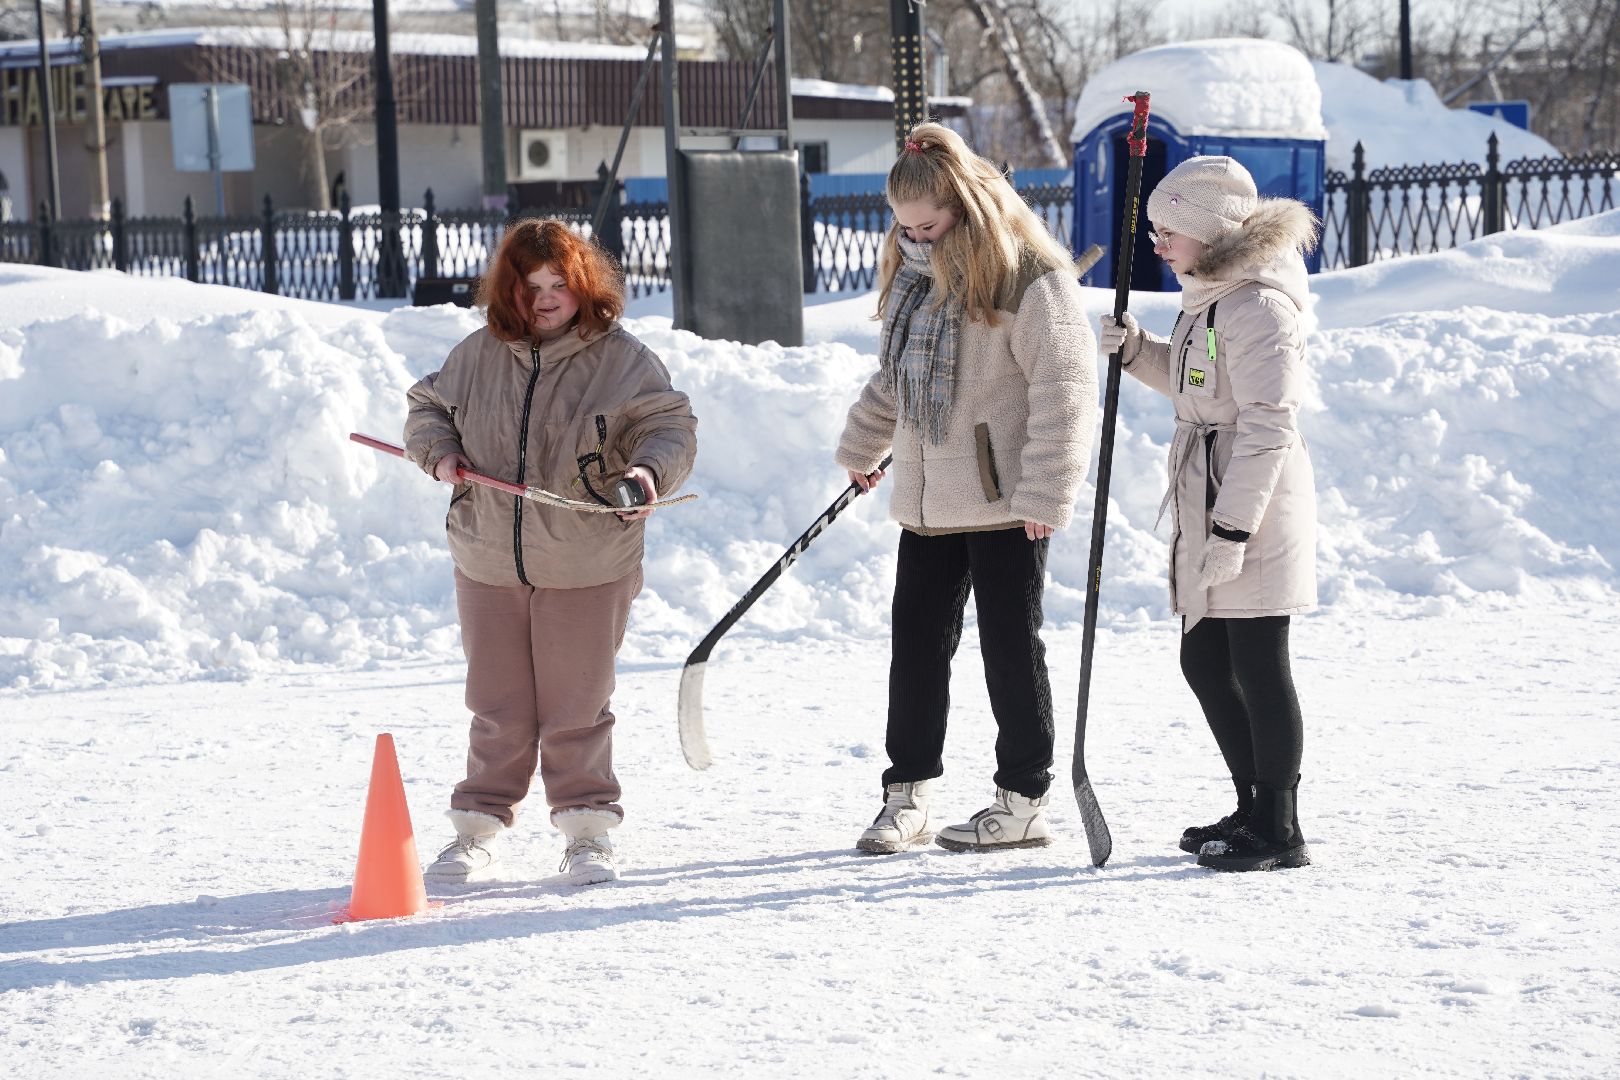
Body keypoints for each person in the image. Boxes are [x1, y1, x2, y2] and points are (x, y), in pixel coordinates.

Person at [403, 219, 697, 885]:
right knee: (496, 706)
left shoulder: (622, 360)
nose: (544, 298)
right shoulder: (478, 354)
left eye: (558, 284)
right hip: (487, 561)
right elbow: (428, 409)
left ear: (582, 284)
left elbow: (669, 426)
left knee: (576, 706)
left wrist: (647, 475)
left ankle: (587, 829)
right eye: (529, 286)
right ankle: (476, 828)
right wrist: (438, 452)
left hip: (588, 564)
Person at [835, 123, 1098, 855]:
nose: (914, 235)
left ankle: (1022, 799)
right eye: (904, 225)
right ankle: (906, 795)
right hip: (926, 503)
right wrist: (864, 444)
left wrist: (1047, 492)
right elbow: (897, 374)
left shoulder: (1028, 276)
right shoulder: (916, 276)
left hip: (1008, 503)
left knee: (1011, 649)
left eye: (929, 222)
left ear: (968, 204)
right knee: (915, 648)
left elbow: (1066, 389)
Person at [1098, 156, 1318, 872]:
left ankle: (1280, 827)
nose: (1157, 242)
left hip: (1251, 499)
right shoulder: (1211, 296)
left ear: (1212, 231)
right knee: (1204, 657)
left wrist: (1233, 528)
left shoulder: (1259, 306)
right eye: (1155, 228)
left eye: (1170, 230)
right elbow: (1200, 387)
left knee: (1256, 660)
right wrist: (1137, 353)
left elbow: (1267, 424)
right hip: (1208, 489)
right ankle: (1251, 802)